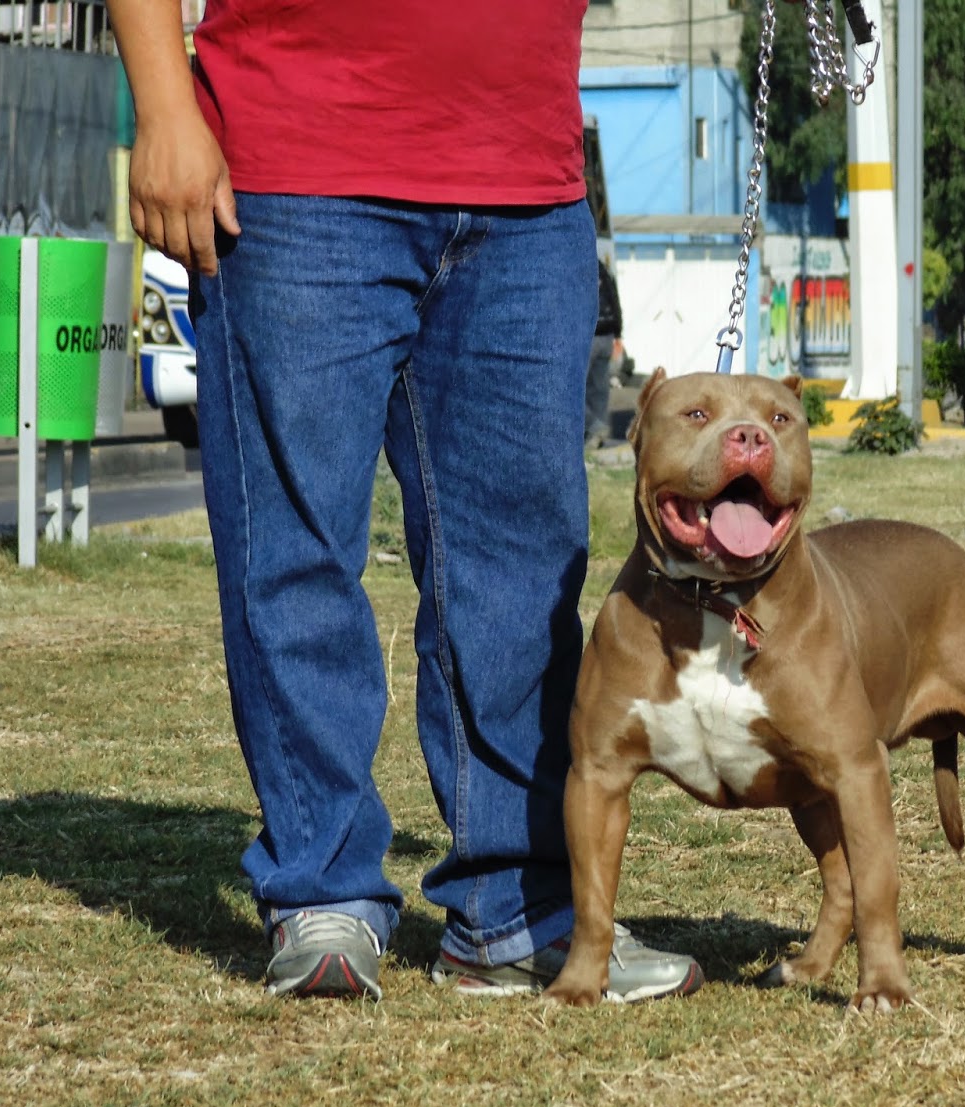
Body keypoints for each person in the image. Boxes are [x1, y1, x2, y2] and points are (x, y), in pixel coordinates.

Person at [107, 0, 702, 1002]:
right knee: (295, 551)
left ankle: (517, 912)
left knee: (521, 570)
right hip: (293, 170)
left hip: (525, 178)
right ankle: (322, 890)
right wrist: (164, 106)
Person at [585, 259, 623, 448]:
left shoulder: (575, 263)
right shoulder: (603, 269)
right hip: (607, 334)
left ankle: (594, 426)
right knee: (599, 390)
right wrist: (618, 333)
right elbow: (614, 300)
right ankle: (596, 439)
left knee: (572, 388)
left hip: (588, 336)